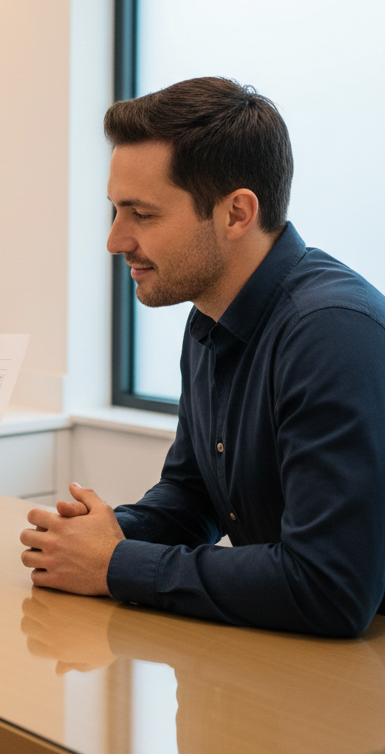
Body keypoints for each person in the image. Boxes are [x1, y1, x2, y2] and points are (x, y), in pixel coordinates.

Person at [20, 76, 385, 637]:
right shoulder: (210, 316)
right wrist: (102, 535)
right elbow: (195, 498)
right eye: (115, 211)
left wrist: (115, 566)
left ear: (236, 213)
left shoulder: (331, 332)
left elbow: (328, 586)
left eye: (141, 214)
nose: (116, 240)